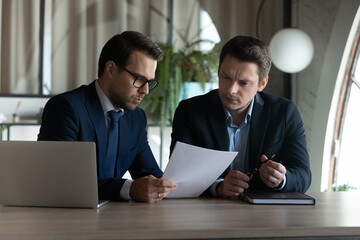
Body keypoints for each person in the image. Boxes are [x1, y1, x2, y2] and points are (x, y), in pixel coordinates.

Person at [38, 31, 177, 202]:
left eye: (149, 82)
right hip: (68, 218)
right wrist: (128, 188)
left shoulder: (136, 118)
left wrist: (207, 185)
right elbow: (62, 180)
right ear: (111, 69)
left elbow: (151, 176)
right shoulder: (66, 108)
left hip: (113, 219)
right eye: (139, 79)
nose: (145, 90)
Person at [170, 35, 311, 198]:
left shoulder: (285, 113)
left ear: (262, 84)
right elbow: (179, 176)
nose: (231, 90)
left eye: (243, 83)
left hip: (266, 216)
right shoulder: (190, 111)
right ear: (218, 71)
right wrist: (219, 186)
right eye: (226, 77)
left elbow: (303, 176)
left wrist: (282, 179)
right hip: (207, 215)